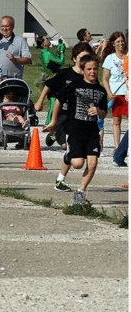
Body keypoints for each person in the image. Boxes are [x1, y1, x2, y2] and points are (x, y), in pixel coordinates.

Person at [43, 55, 107, 205]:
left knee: (92, 164)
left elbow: (104, 113)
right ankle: (69, 154)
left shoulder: (101, 91)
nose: (93, 72)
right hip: (74, 130)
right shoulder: (74, 86)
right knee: (78, 164)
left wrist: (98, 111)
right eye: (89, 69)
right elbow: (58, 101)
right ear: (83, 70)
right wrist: (53, 121)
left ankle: (80, 192)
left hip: (91, 132)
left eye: (95, 69)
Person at [35, 42, 93, 191]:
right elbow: (49, 84)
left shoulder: (90, 76)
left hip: (79, 119)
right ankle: (56, 133)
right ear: (74, 58)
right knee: (68, 147)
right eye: (82, 58)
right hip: (63, 116)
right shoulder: (65, 74)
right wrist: (40, 101)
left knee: (72, 150)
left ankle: (60, 180)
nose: (85, 61)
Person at [0, 16, 32, 119]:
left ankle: (11, 116)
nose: (4, 29)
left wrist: (15, 60)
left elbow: (28, 59)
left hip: (11, 79)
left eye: (7, 26)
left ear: (12, 26)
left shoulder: (20, 41)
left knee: (10, 99)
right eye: (2, 26)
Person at [101, 31, 128, 151]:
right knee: (117, 120)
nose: (121, 43)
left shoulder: (128, 56)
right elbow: (104, 79)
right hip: (116, 94)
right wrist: (109, 92)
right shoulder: (110, 58)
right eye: (118, 42)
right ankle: (118, 146)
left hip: (128, 93)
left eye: (122, 41)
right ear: (113, 44)